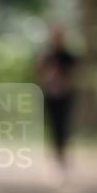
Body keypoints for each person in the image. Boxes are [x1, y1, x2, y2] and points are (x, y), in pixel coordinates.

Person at [36, 23, 78, 178]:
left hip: (65, 96)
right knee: (53, 126)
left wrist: (64, 81)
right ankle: (55, 157)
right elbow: (39, 72)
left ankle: (62, 157)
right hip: (51, 95)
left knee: (64, 126)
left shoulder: (68, 56)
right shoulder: (46, 55)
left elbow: (74, 75)